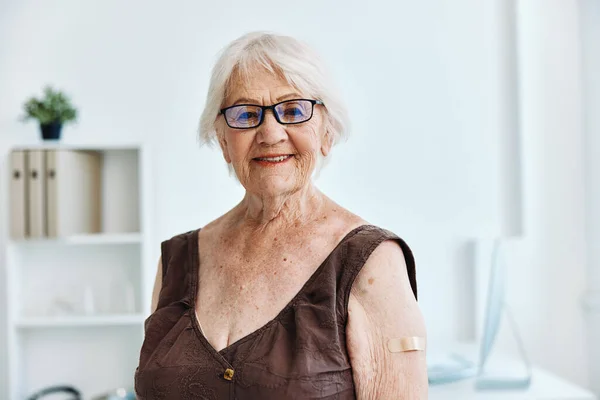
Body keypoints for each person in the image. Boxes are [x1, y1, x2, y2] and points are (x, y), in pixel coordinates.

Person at [134, 31, 428, 399]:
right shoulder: (177, 261)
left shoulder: (372, 262)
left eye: (292, 110)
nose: (270, 133)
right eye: (245, 114)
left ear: (327, 131)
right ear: (223, 140)